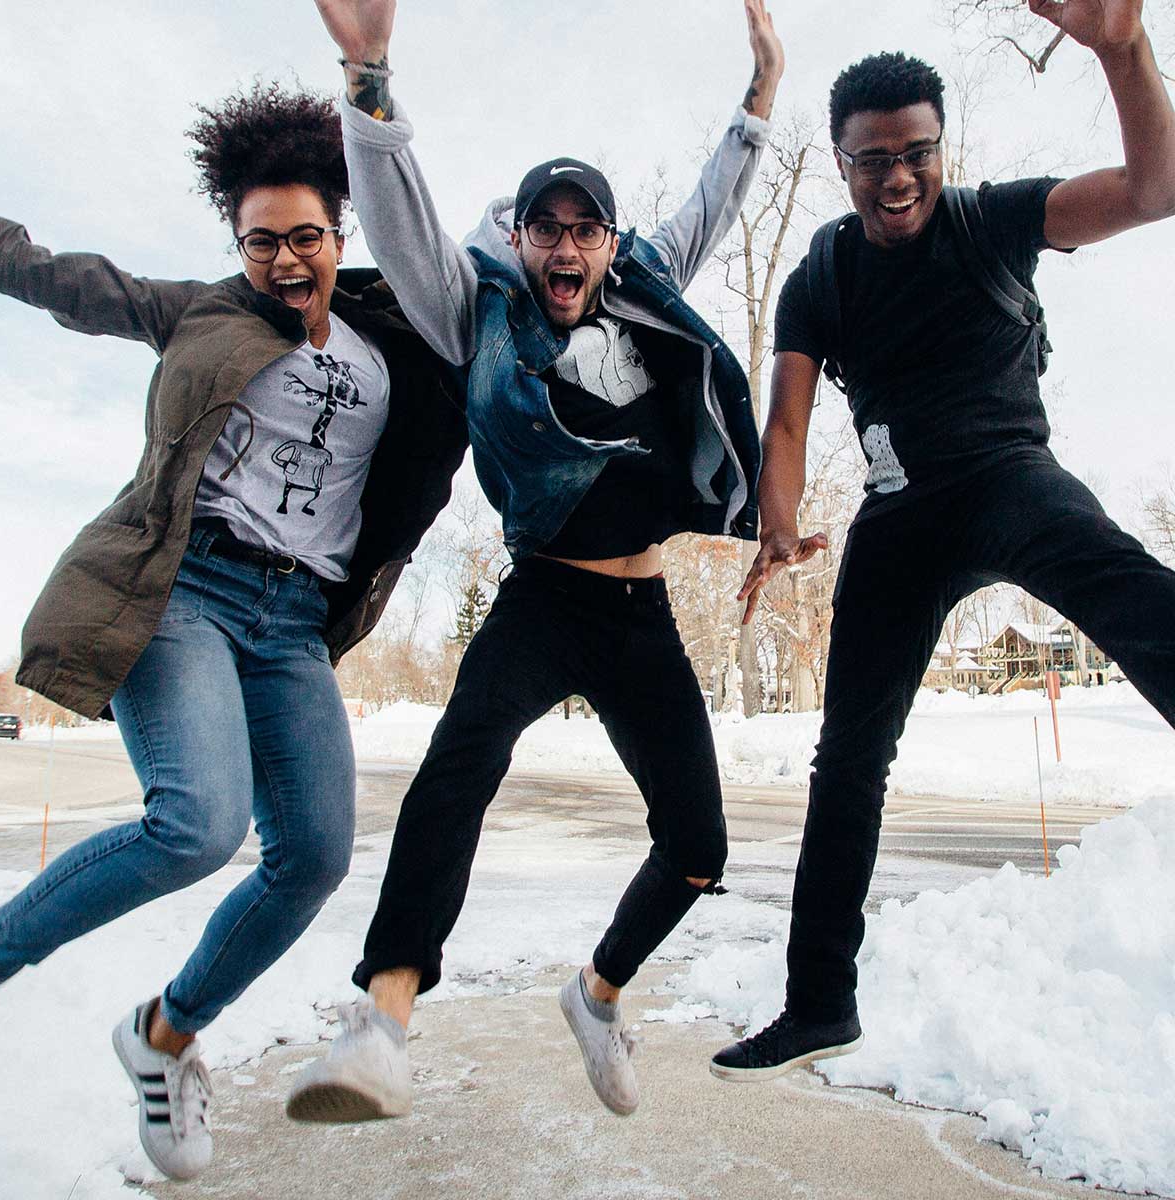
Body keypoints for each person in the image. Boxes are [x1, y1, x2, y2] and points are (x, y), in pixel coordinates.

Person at [286, 0, 783, 1121]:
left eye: (584, 228)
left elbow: (711, 206)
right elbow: (404, 222)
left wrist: (758, 100)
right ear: (521, 239)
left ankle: (598, 995)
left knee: (699, 846)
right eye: (546, 227)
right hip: (542, 599)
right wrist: (368, 79)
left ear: (608, 242)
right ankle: (383, 1020)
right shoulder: (480, 312)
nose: (565, 246)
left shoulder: (647, 290)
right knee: (459, 765)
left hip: (641, 611)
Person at [0, 83, 465, 1178]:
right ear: (234, 243)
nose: (286, 261)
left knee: (315, 858)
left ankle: (165, 1034)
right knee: (196, 824)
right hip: (182, 590)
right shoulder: (201, 312)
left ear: (341, 232)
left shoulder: (404, 333)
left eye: (306, 238)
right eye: (261, 243)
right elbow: (50, 273)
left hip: (294, 621)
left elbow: (480, 292)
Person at [712, 0, 1175, 1082]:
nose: (898, 178)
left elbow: (1156, 190)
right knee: (848, 762)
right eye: (873, 160)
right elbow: (786, 416)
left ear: (939, 146)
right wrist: (776, 517)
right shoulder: (821, 275)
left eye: (916, 151)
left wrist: (1122, 46)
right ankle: (819, 1001)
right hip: (902, 513)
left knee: (1139, 600)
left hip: (1010, 478)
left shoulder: (993, 220)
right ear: (841, 162)